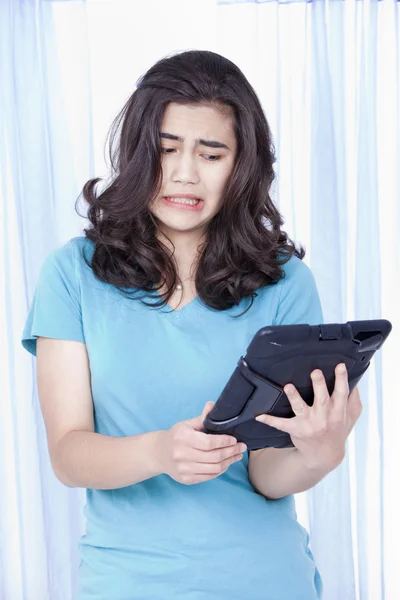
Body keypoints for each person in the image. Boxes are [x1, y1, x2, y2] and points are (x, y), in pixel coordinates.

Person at [21, 50, 362, 600]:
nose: (185, 173)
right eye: (167, 149)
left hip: (268, 582)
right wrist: (159, 452)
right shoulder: (72, 274)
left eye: (211, 153)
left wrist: (321, 453)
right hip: (127, 584)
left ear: (240, 165)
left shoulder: (286, 282)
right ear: (137, 154)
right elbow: (69, 454)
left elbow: (267, 474)